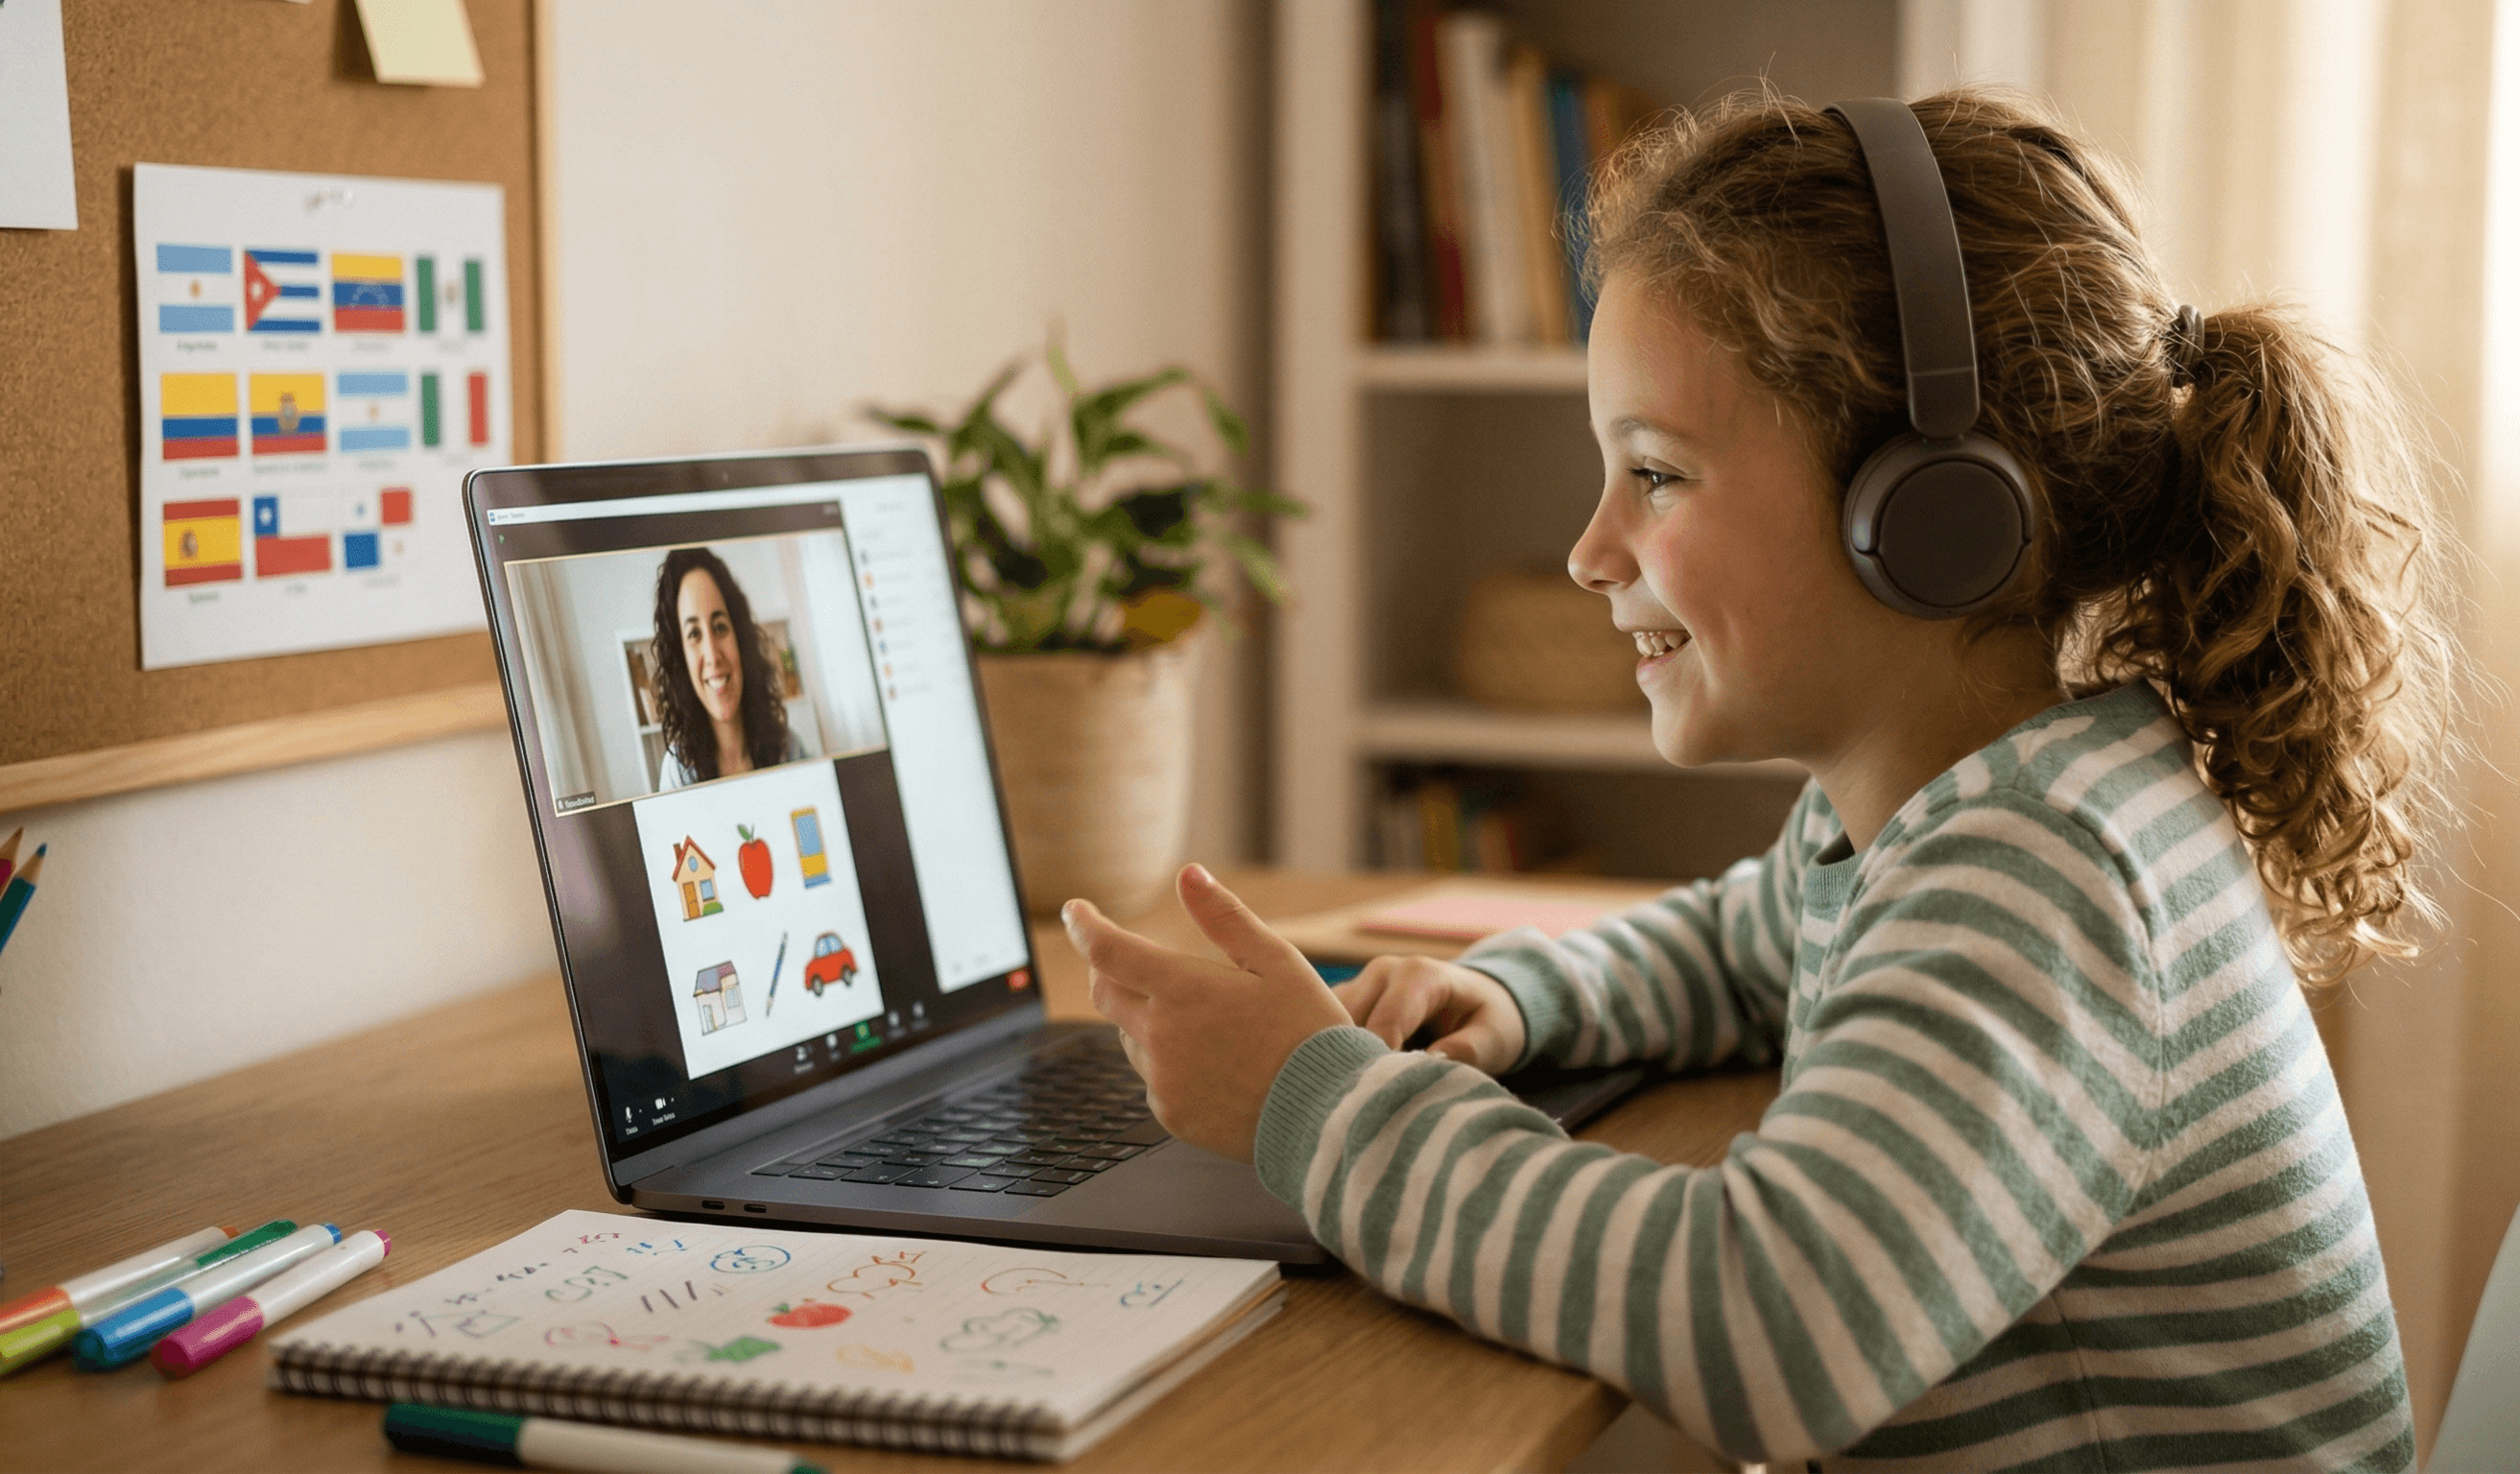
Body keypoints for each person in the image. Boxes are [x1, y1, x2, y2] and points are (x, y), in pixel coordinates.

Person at [1060, 89, 2457, 1468]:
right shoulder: (1965, 807)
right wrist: (1520, 996)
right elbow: (1745, 946)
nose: (1590, 551)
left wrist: (1319, 1108)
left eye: (1655, 475)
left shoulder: (2040, 877)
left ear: (1928, 513)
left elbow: (1768, 1326)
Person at [653, 546, 805, 790]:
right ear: (681, 658)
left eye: (720, 627)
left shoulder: (788, 748)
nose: (712, 655)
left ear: (740, 637)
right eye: (694, 634)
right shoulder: (678, 774)